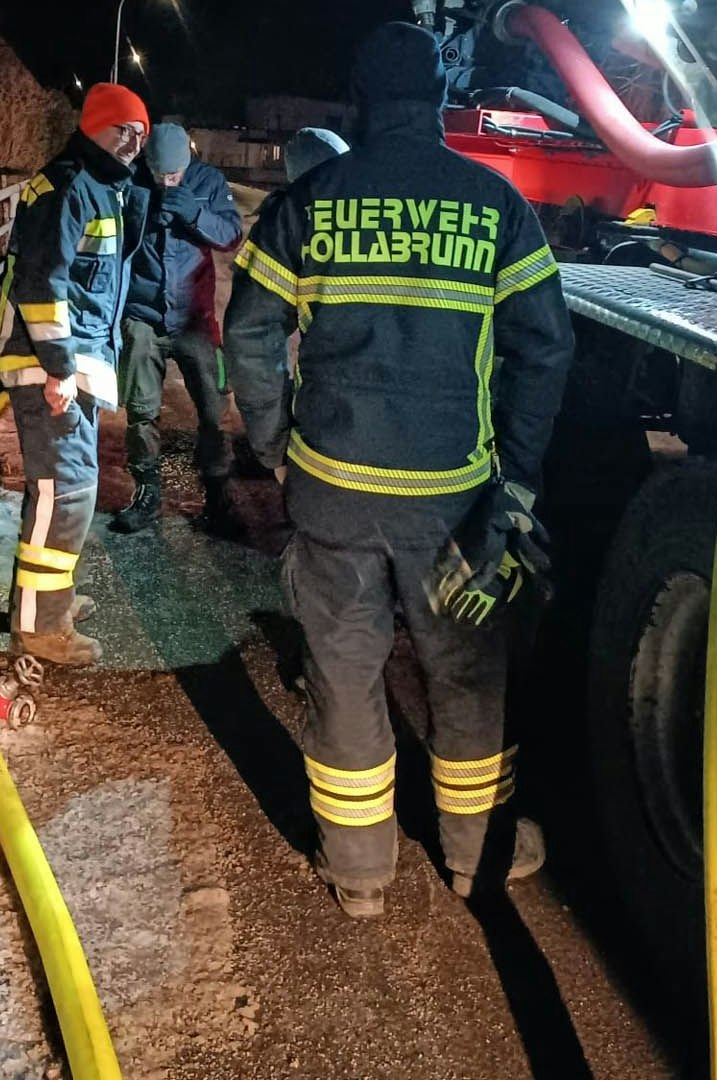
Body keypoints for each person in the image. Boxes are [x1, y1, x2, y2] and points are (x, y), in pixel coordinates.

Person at [222, 23, 575, 917]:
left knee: (343, 678)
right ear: (440, 94)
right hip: (452, 504)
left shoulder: (309, 202)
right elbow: (546, 351)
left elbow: (251, 334)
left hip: (333, 494)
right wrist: (517, 481)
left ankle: (360, 876)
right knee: (465, 674)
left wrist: (274, 447)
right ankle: (475, 858)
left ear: (359, 97)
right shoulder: (494, 207)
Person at [0, 82, 151, 667]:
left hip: (67, 364)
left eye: (140, 135)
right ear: (96, 126)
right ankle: (40, 627)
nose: (134, 145)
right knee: (64, 496)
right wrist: (58, 367)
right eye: (125, 132)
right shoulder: (71, 189)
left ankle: (48, 601)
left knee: (66, 494)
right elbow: (44, 286)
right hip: (52, 367)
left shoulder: (93, 185)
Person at [111, 123, 246, 535]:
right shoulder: (130, 181)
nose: (168, 182)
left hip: (194, 318)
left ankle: (217, 494)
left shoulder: (208, 181)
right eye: (160, 175)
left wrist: (195, 214)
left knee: (212, 410)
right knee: (140, 410)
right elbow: (112, 242)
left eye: (174, 175)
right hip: (143, 316)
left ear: (187, 164)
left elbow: (232, 235)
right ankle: (147, 493)